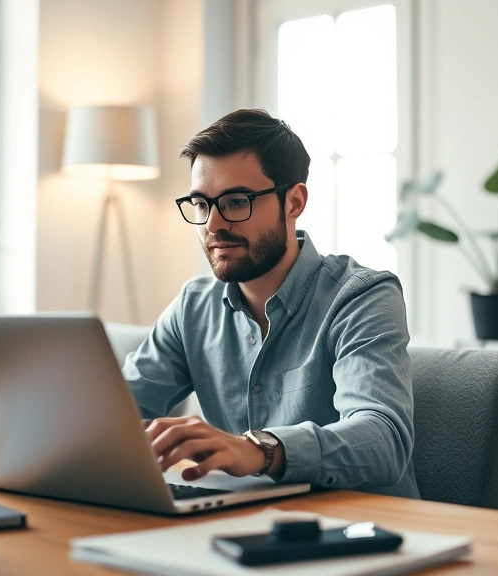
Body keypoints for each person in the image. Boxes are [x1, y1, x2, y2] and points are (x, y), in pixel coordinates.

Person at [122, 109, 418, 499]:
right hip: (244, 525)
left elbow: (383, 439)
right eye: (201, 204)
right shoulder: (192, 308)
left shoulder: (362, 296)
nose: (213, 224)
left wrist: (259, 449)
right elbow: (119, 412)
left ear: (294, 202)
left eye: (236, 201)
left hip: (363, 531)